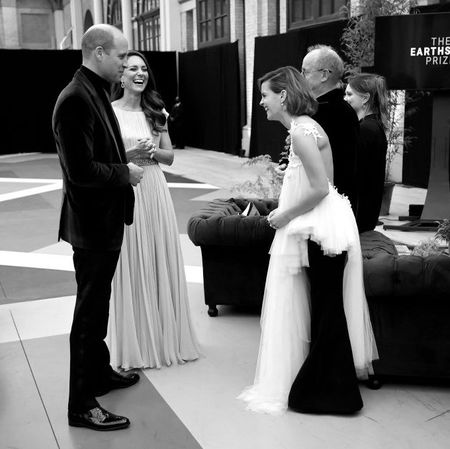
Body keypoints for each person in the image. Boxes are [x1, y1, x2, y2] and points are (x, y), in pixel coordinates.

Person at [238, 66, 377, 415]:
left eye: (266, 95)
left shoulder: (301, 131)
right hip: (327, 225)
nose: (262, 102)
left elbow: (320, 188)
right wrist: (292, 175)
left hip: (320, 230)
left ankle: (337, 394)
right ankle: (329, 387)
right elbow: (323, 179)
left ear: (282, 95)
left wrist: (284, 215)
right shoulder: (306, 129)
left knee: (327, 308)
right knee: (326, 306)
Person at [53, 25, 146, 431]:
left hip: (102, 223)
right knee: (88, 315)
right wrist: (124, 171)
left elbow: (95, 152)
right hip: (91, 226)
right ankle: (81, 404)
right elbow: (81, 170)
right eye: (120, 56)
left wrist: (123, 155)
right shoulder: (75, 98)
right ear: (97, 51)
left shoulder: (93, 90)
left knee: (99, 307)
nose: (126, 64)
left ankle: (99, 372)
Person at [106, 51, 200, 370]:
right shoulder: (109, 111)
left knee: (158, 255)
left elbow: (170, 157)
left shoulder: (155, 110)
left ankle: (163, 338)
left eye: (143, 68)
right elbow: (104, 156)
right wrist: (128, 153)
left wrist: (153, 151)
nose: (139, 73)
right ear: (120, 76)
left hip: (155, 188)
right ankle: (136, 342)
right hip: (126, 188)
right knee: (131, 257)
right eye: (132, 68)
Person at [301, 44, 360, 214]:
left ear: (324, 75)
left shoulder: (334, 112)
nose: (301, 77)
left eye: (305, 71)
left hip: (328, 205)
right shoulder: (325, 108)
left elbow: (333, 166)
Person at [345, 73, 389, 233]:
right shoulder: (371, 126)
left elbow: (355, 174)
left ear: (365, 98)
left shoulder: (365, 129)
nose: (345, 98)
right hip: (365, 210)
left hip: (359, 212)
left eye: (349, 94)